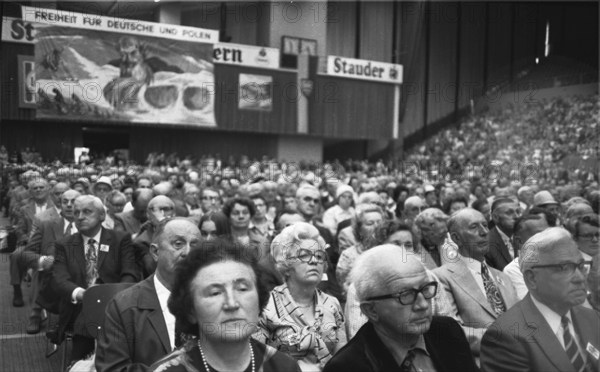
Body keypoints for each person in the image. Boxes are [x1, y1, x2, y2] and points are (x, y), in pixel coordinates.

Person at [323, 245, 478, 372]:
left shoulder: (447, 331)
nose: (423, 305)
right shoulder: (347, 367)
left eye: (425, 289)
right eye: (406, 295)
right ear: (371, 310)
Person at [150, 241, 301, 372]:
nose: (232, 303)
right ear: (190, 310)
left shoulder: (283, 367)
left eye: (242, 289)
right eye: (215, 293)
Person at [481, 228, 600, 372]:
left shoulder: (591, 317)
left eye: (581, 266)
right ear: (532, 278)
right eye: (564, 268)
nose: (580, 278)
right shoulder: (506, 338)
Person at [96, 217, 202, 372]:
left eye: (195, 245)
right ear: (155, 252)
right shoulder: (124, 306)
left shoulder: (218, 299)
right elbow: (112, 368)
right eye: (178, 244)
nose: (188, 252)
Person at [53, 195, 139, 362]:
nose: (79, 216)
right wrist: (84, 295)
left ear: (102, 215)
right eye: (76, 212)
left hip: (116, 303)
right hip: (79, 306)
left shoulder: (120, 240)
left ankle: (86, 361)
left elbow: (130, 274)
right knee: (90, 315)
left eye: (86, 211)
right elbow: (59, 279)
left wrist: (112, 297)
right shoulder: (64, 245)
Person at [255, 222, 347, 371]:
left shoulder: (332, 303)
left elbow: (343, 356)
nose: (314, 260)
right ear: (286, 265)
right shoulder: (266, 305)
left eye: (319, 256)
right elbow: (258, 358)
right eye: (304, 255)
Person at [432, 208, 518, 358]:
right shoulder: (441, 277)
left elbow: (520, 319)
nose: (484, 232)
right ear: (456, 238)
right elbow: (452, 331)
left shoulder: (503, 277)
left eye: (485, 225)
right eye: (474, 227)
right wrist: (504, 340)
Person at [21, 189, 80, 334]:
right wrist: (42, 261)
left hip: (80, 279)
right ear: (60, 204)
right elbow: (27, 253)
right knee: (38, 272)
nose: (69, 205)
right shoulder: (46, 224)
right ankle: (35, 315)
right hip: (52, 278)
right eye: (65, 202)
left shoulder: (89, 227)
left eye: (73, 202)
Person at [336, 204, 384, 292]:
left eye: (380, 223)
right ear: (359, 230)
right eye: (370, 223)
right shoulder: (348, 255)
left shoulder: (391, 249)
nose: (377, 227)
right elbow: (345, 286)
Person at [502, 214, 550, 299]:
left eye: (548, 233)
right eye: (540, 235)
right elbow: (532, 304)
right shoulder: (513, 270)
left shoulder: (562, 259)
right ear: (519, 241)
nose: (548, 238)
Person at [486, 197, 522, 271]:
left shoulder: (524, 237)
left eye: (518, 212)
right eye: (509, 213)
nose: (516, 216)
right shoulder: (486, 243)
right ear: (495, 217)